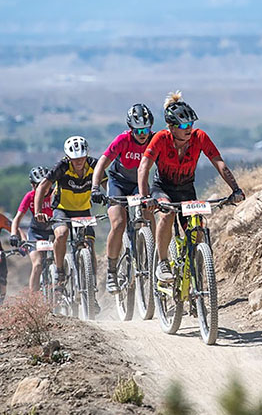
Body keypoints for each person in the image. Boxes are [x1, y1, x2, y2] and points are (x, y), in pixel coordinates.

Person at [137, 91, 245, 283]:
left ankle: (195, 272)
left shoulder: (199, 137)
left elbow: (219, 163)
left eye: (191, 124)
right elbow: (143, 167)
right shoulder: (161, 139)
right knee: (167, 214)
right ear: (171, 127)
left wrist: (235, 189)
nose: (189, 129)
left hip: (186, 189)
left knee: (196, 231)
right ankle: (162, 262)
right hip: (163, 188)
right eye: (184, 125)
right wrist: (145, 197)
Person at [33, 135, 102, 313]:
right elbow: (42, 187)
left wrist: (109, 199)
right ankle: (60, 271)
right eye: (75, 159)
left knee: (90, 245)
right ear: (68, 157)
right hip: (62, 209)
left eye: (82, 158)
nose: (79, 162)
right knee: (62, 234)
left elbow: (107, 182)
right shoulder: (62, 167)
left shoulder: (94, 165)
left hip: (83, 210)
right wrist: (38, 211)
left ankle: (91, 289)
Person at [91, 103, 155, 293]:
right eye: (138, 130)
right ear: (130, 128)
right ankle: (111, 272)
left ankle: (155, 257)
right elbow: (102, 163)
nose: (143, 134)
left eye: (146, 129)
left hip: (138, 183)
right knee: (118, 224)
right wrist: (95, 187)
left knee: (149, 212)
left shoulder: (153, 139)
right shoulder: (122, 140)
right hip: (118, 183)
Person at [10, 166, 53, 291]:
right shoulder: (29, 196)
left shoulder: (55, 193)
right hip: (36, 233)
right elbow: (17, 219)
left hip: (52, 231)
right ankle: (33, 300)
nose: (43, 189)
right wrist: (13, 234)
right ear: (33, 186)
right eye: (38, 185)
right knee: (38, 264)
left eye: (45, 185)